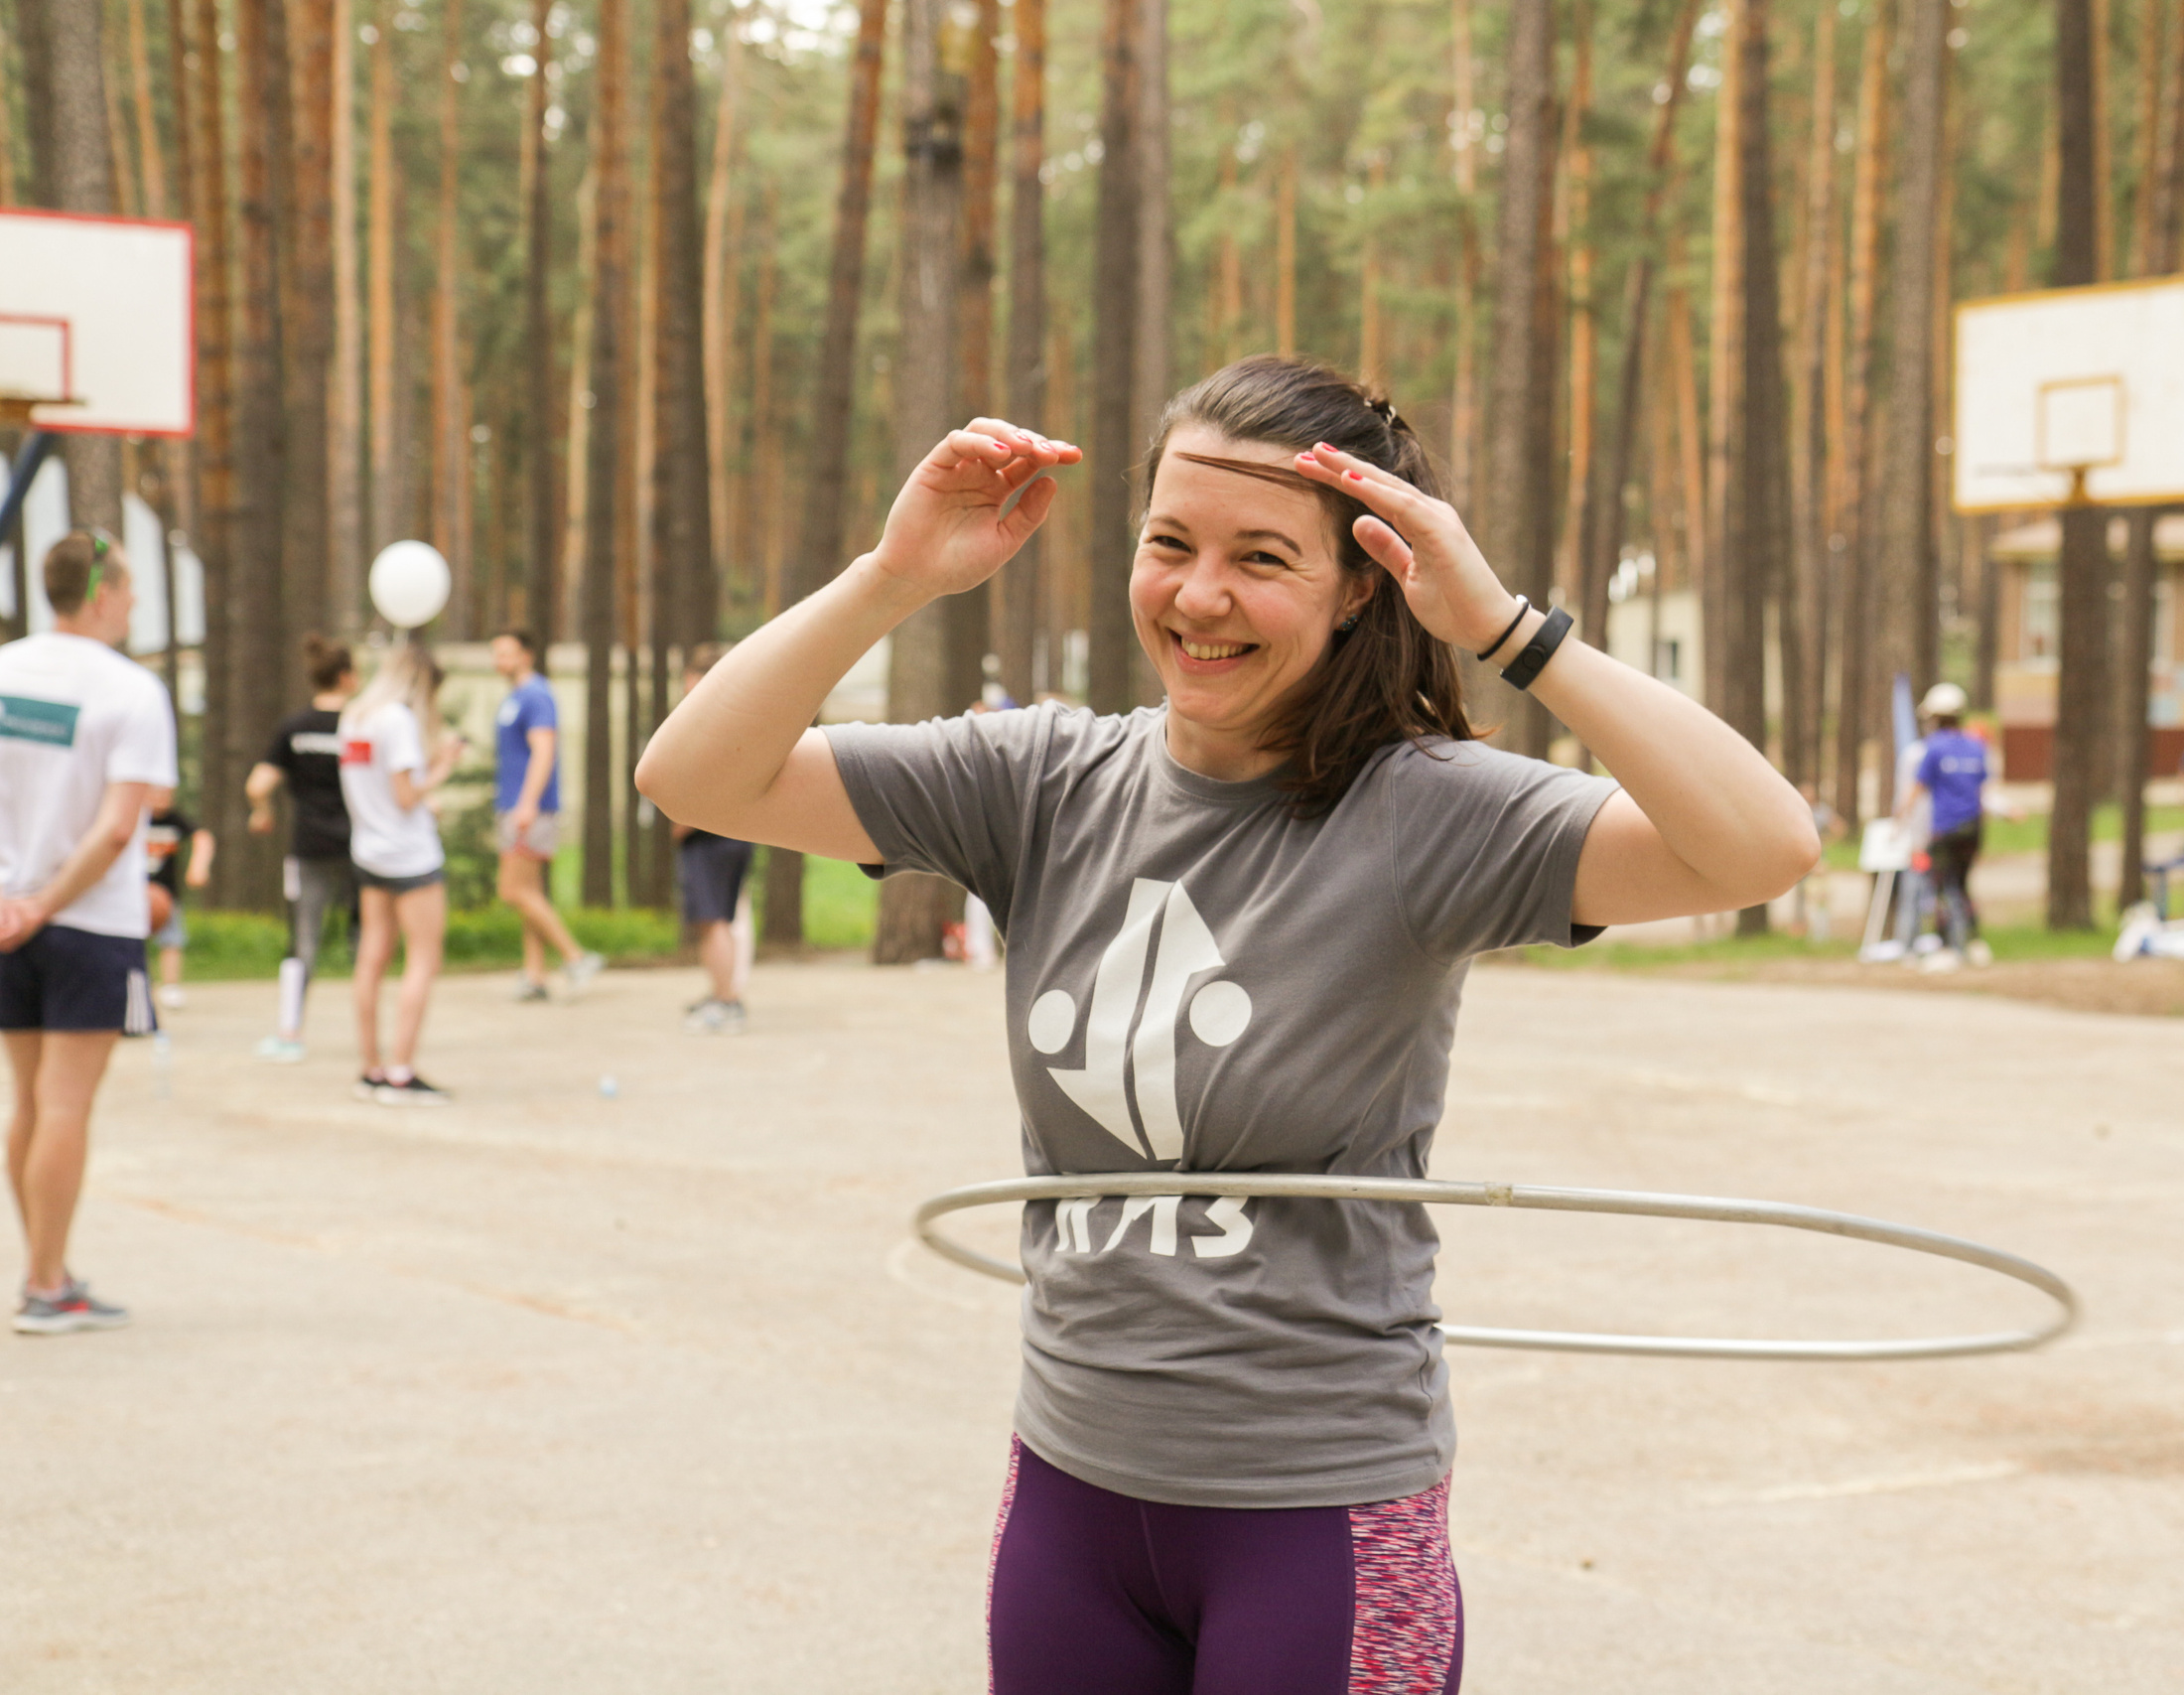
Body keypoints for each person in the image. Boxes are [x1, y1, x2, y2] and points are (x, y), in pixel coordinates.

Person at [636, 357, 1819, 1694]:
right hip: (1071, 1487)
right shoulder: (1038, 778)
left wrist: (1502, 628)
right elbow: (692, 775)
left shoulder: (1428, 814)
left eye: (1262, 557)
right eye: (1170, 544)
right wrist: (894, 575)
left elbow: (1762, 845)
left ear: (1361, 580)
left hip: (1317, 1511)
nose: (1201, 596)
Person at [0, 531, 178, 1334]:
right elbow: (117, 830)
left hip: (8, 919)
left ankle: (48, 1267)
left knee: (29, 1100)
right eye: (130, 589)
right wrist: (46, 901)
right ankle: (45, 1282)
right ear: (101, 591)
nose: (135, 604)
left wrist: (17, 902)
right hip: (88, 921)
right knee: (66, 1104)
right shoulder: (130, 690)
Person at [340, 642, 463, 1104]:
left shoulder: (356, 717)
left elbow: (375, 788)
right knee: (423, 958)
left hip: (369, 850)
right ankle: (401, 1072)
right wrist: (444, 767)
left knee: (371, 957)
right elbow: (407, 796)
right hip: (410, 857)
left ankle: (370, 1068)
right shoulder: (398, 720)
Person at [245, 636, 362, 1062]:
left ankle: (289, 1033)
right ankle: (372, 1036)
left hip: (308, 847)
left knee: (303, 941)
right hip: (359, 847)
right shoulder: (360, 724)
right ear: (348, 677)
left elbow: (258, 785)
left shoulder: (294, 728)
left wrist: (262, 813)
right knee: (366, 938)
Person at [488, 630, 604, 1002]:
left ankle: (575, 957)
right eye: (496, 654)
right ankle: (535, 975)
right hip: (515, 803)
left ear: (527, 656)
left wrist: (527, 803)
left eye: (506, 653)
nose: (499, 661)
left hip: (528, 808)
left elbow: (544, 751)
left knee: (512, 890)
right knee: (530, 893)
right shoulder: (516, 696)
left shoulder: (536, 695)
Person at [671, 644, 754, 1034]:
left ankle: (727, 1001)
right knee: (717, 919)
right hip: (732, 834)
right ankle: (721, 993)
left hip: (711, 838)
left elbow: (706, 782)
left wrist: (682, 825)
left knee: (714, 919)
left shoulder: (710, 722)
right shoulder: (738, 719)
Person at [1891, 681, 1996, 971]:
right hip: (1973, 829)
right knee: (1962, 887)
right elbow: (1982, 792)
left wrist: (1898, 823)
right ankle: (1975, 944)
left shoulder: (1932, 748)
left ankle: (1947, 947)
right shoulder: (1976, 747)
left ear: (1934, 717)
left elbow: (1915, 790)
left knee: (1941, 888)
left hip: (1945, 829)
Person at [141, 796, 213, 1007]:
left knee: (171, 940)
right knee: (132, 943)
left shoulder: (175, 819)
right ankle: (137, 985)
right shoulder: (135, 817)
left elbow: (202, 837)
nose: (162, 797)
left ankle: (170, 987)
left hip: (167, 895)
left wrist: (199, 866)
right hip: (133, 894)